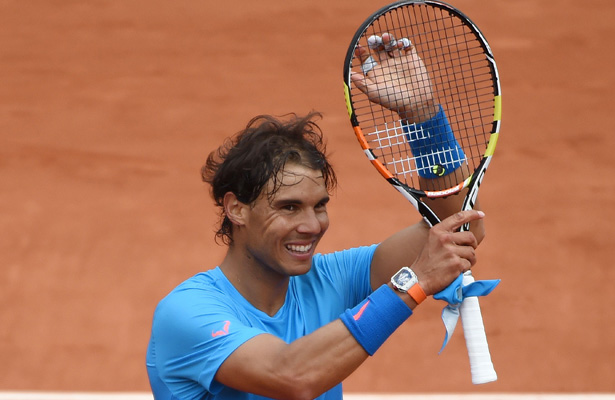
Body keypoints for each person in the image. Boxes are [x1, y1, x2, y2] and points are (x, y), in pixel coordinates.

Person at [146, 33, 486, 400]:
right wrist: (413, 283)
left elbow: (459, 227)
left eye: (319, 206)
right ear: (236, 208)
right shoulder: (187, 313)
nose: (311, 226)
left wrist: (424, 120)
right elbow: (293, 376)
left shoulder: (330, 280)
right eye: (288, 207)